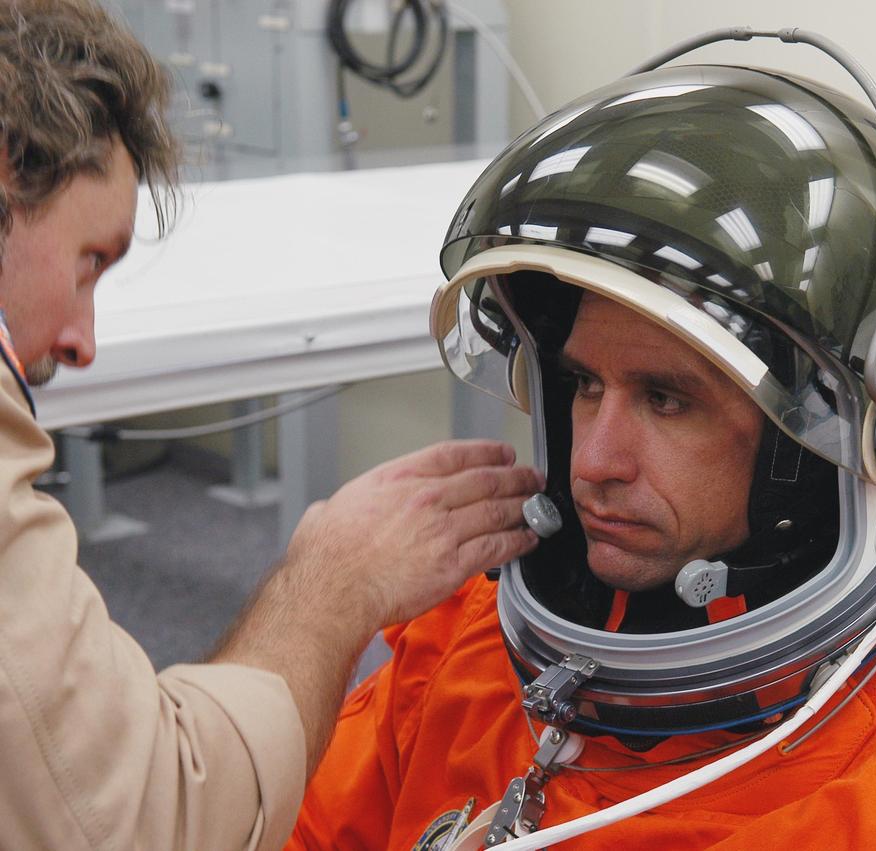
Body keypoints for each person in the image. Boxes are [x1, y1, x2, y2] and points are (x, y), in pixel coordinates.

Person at [288, 57, 876, 850]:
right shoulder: (466, 645)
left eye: (666, 398)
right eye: (583, 384)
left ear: (814, 448)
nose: (594, 463)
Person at [0, 1, 542, 848]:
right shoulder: (442, 664)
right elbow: (151, 821)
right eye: (88, 263)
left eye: (663, 398)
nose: (82, 343)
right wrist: (335, 579)